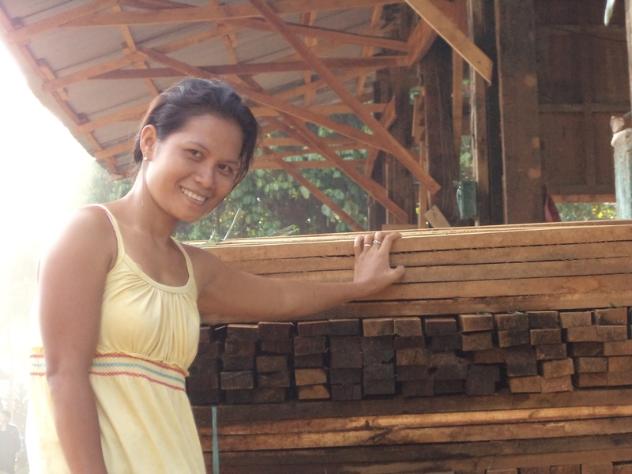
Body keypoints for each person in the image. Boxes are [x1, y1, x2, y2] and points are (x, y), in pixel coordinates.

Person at [26, 77, 405, 473]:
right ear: (150, 142)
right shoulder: (89, 233)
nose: (207, 179)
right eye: (194, 154)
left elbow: (280, 297)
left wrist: (360, 287)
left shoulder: (193, 267)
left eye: (225, 168)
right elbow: (63, 376)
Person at [0, 409, 20, 474]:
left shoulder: (13, 429)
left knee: (9, 470)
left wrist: (16, 452)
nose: (3, 418)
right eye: (1, 416)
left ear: (8, 418)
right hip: (1, 454)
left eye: (4, 416)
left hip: (9, 455)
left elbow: (17, 442)